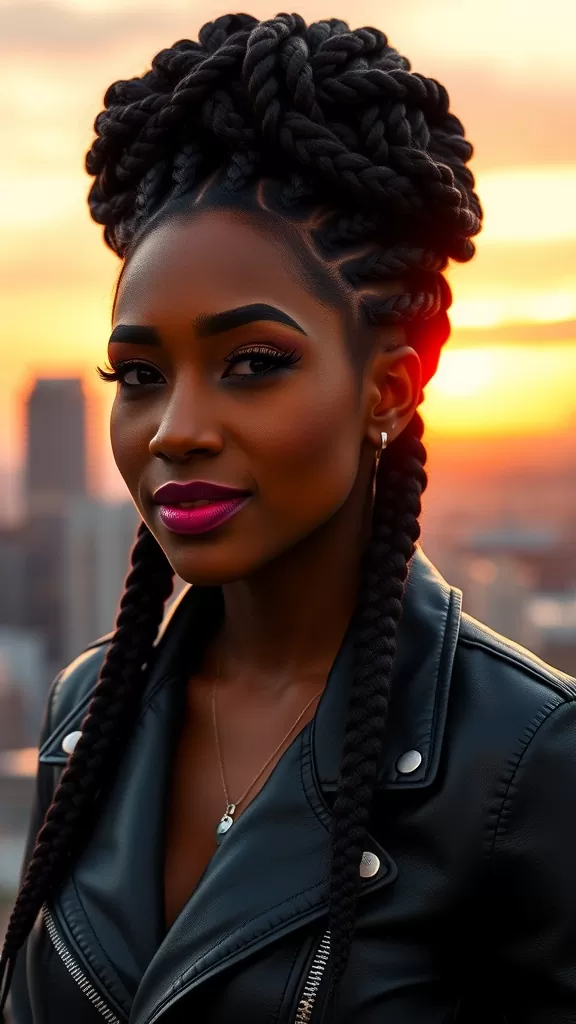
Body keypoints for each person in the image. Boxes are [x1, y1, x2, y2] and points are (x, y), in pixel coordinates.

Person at [3, 12, 576, 1024]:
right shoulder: (86, 712)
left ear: (388, 388)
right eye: (139, 374)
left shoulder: (526, 759)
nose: (176, 429)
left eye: (253, 364)